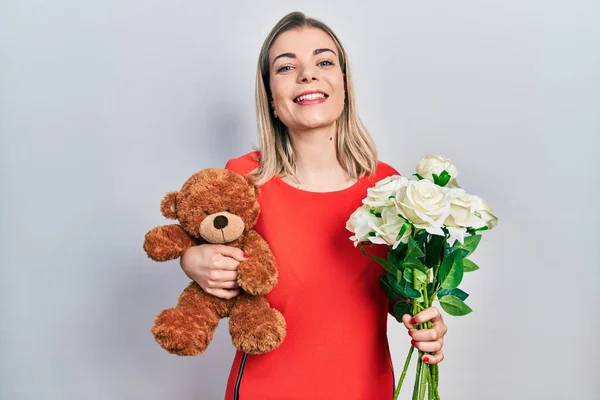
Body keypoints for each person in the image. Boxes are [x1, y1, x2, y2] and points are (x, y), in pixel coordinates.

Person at [179, 11, 448, 400]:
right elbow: (201, 241)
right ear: (271, 96)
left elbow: (398, 292)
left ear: (344, 85)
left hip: (365, 391)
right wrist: (192, 260)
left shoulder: (388, 187)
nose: (308, 74)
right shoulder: (242, 179)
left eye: (324, 62)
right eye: (286, 67)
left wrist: (424, 319)